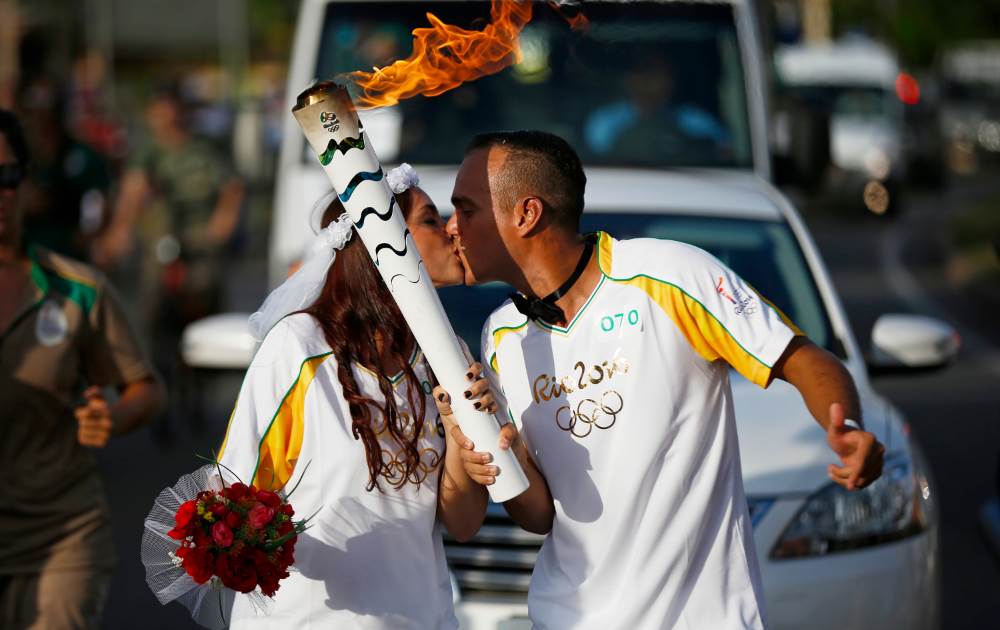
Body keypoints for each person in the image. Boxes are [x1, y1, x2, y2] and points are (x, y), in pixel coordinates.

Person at [444, 130, 885, 629]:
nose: (451, 227)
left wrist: (845, 425)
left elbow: (803, 360)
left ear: (527, 214)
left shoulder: (668, 277)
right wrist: (513, 461)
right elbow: (541, 517)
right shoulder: (501, 335)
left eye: (466, 209)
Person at [215, 164, 545, 628]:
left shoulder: (450, 356)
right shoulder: (301, 348)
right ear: (382, 241)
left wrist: (459, 431)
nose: (453, 230)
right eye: (431, 220)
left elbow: (465, 523)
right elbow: (237, 503)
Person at [0, 109, 164, 629]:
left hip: (59, 528)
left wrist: (111, 418)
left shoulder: (76, 288)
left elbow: (144, 388)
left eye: (6, 176)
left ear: (25, 182)